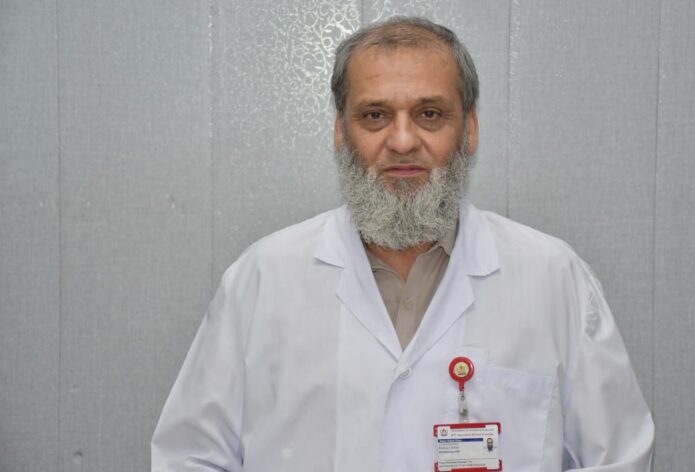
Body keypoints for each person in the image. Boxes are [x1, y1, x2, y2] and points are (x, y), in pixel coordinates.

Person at [151, 16, 654, 471]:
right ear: (340, 132)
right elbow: (189, 457)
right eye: (375, 116)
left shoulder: (553, 279)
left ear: (470, 130)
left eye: (429, 114)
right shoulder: (263, 278)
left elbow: (620, 459)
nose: (402, 140)